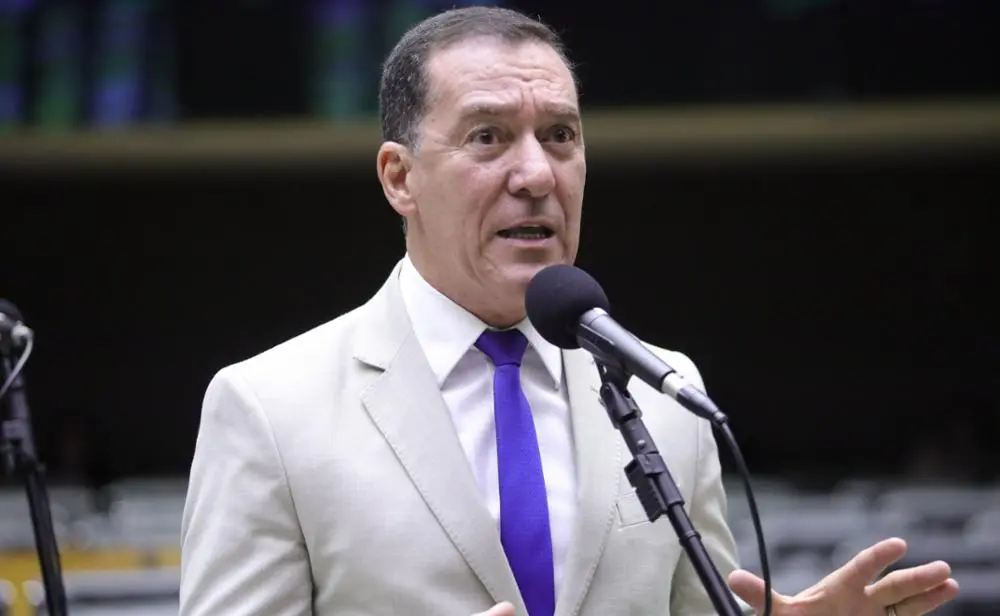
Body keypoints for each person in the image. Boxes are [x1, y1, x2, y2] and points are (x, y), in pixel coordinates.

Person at [179, 7, 960, 616]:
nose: (535, 174)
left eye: (559, 136)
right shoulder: (270, 409)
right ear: (399, 178)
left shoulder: (666, 393)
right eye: (489, 137)